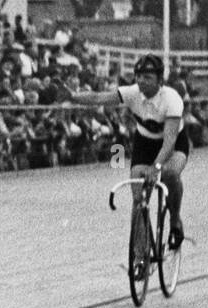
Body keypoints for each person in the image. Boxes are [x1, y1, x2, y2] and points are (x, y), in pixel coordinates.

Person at [64, 54, 189, 246]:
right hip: (145, 141)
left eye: (147, 77)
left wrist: (156, 167)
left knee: (170, 174)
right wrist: (72, 96)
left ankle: (175, 220)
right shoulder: (132, 92)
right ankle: (141, 249)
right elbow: (99, 97)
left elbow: (169, 141)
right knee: (138, 196)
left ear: (159, 80)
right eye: (138, 76)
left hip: (172, 143)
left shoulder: (172, 99)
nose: (141, 81)